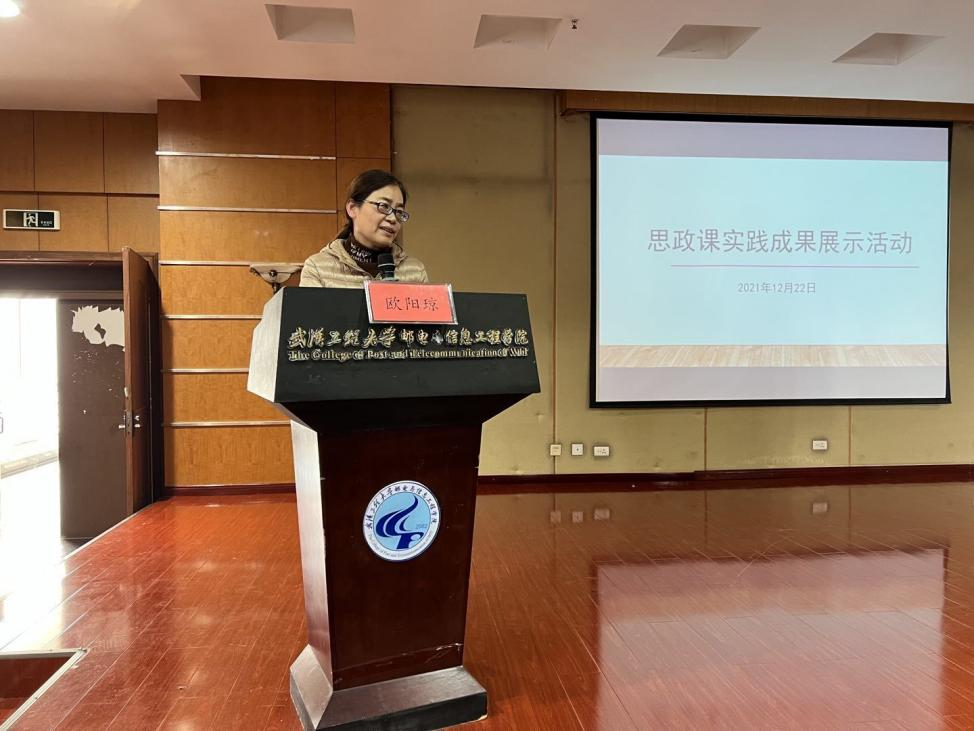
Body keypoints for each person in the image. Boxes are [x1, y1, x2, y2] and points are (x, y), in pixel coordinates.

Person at [300, 169, 429, 287]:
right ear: (352, 208)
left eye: (399, 211)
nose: (393, 219)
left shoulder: (414, 271)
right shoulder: (318, 268)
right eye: (384, 206)